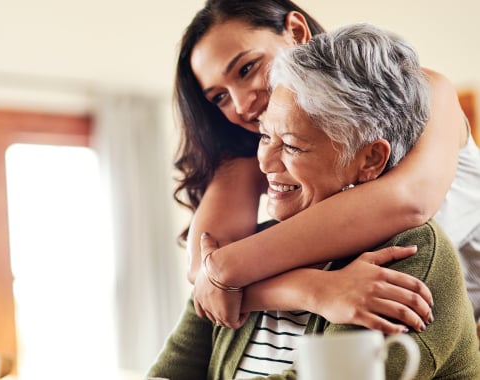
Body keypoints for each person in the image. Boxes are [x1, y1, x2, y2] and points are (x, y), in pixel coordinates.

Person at [148, 23, 480, 380]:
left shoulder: (409, 252)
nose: (266, 165)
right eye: (264, 136)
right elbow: (205, 280)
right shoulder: (253, 248)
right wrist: (312, 290)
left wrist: (225, 271)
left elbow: (408, 201)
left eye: (291, 145)